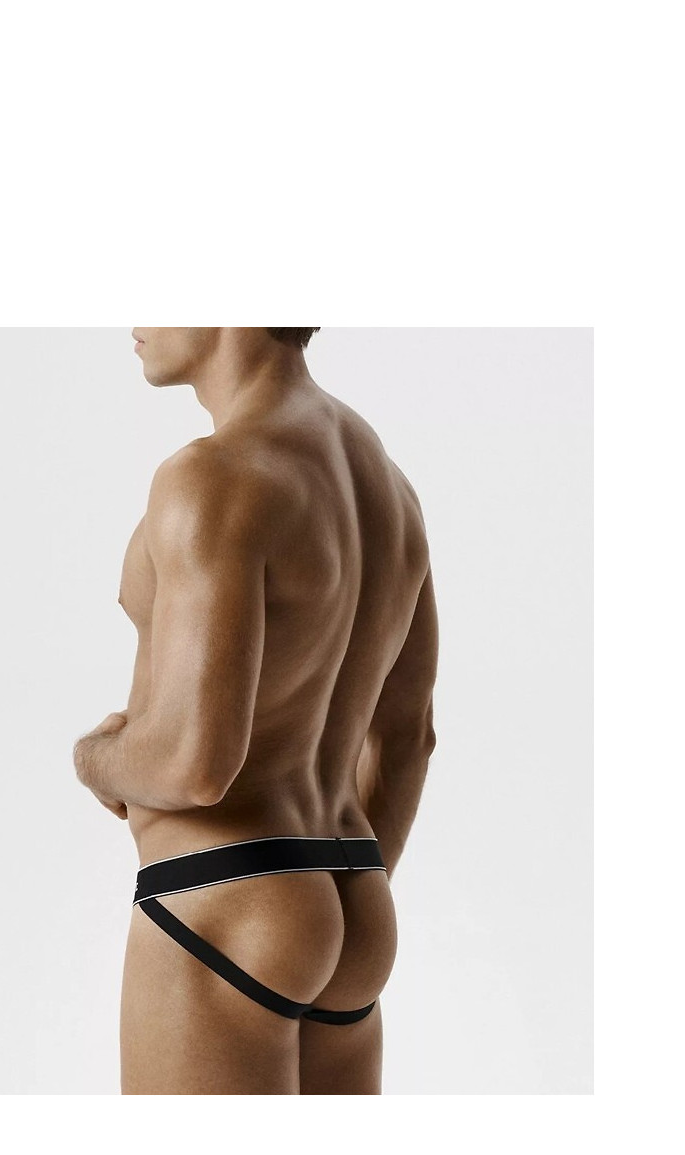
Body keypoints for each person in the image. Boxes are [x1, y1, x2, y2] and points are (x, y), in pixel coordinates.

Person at [73, 328, 438, 1094]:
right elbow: (408, 739)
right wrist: (325, 908)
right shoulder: (388, 488)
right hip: (355, 895)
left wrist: (97, 757)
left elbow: (196, 764)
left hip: (224, 898)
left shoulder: (215, 476)